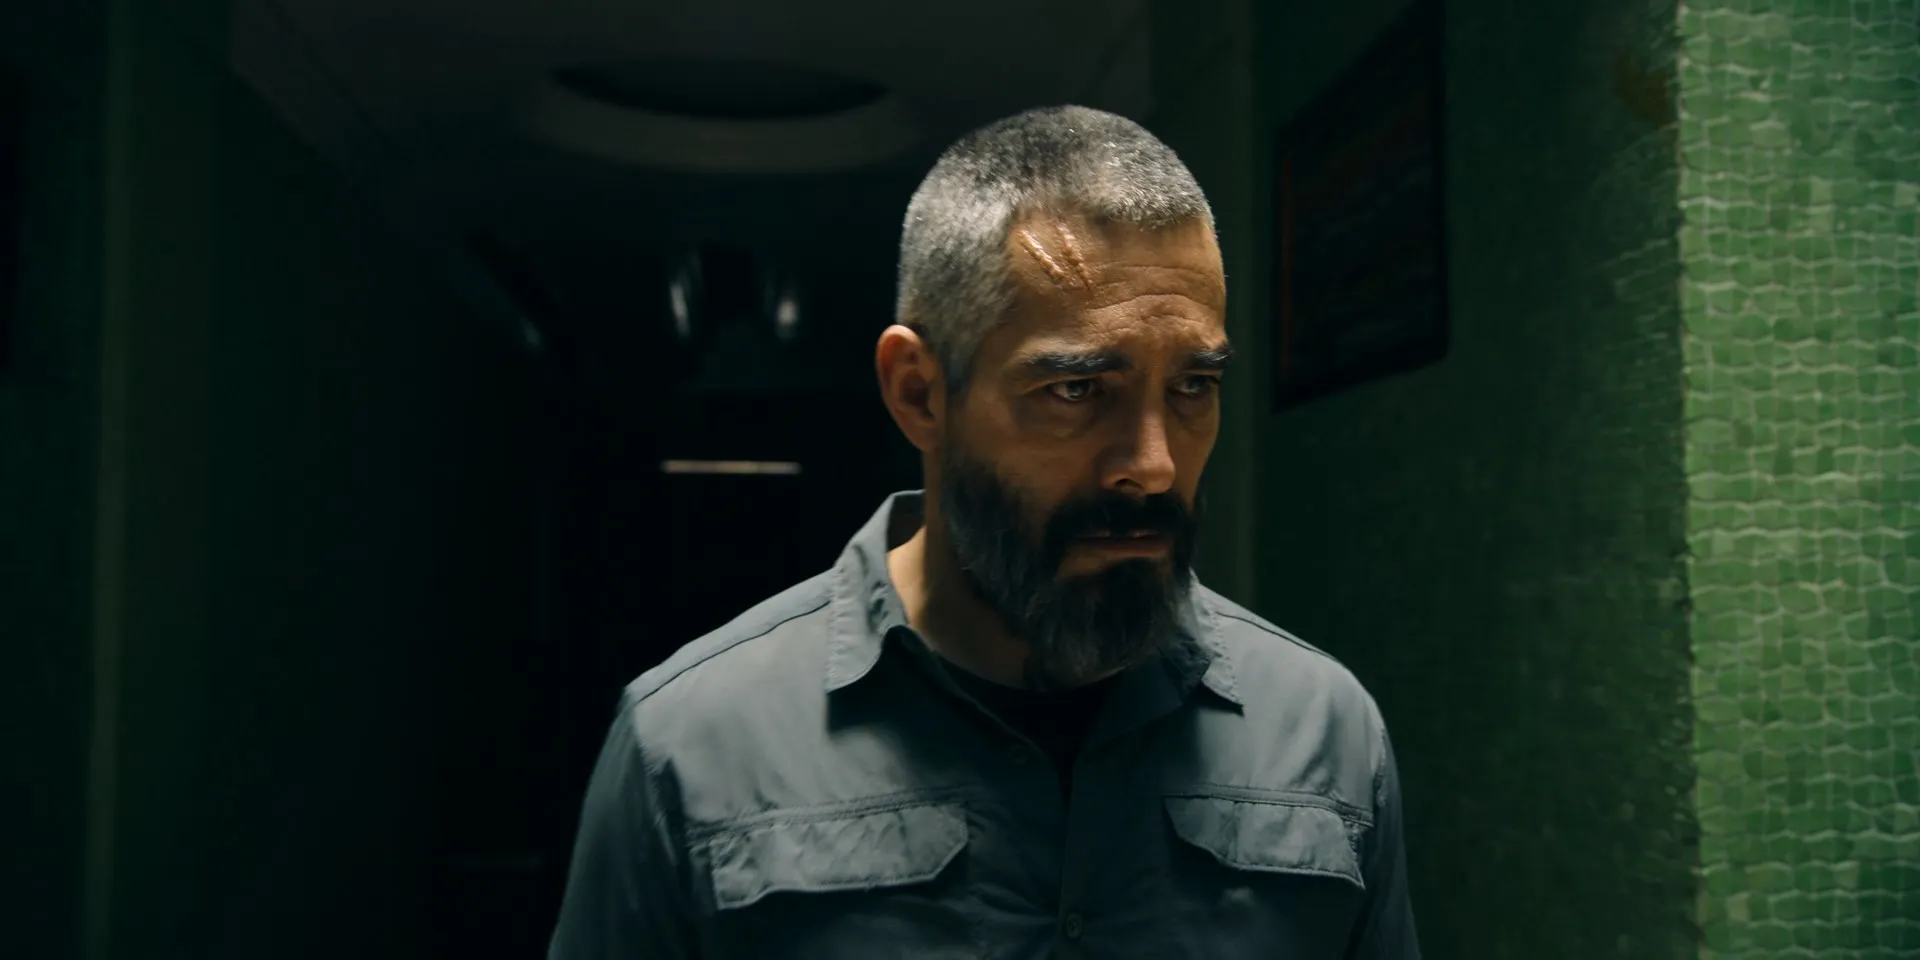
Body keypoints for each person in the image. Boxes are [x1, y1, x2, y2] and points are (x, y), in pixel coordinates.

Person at [547, 105, 1420, 959]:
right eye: (1076, 390)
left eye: (1193, 387)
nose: (1153, 467)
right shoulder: (689, 748)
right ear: (920, 393)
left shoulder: (1327, 735)